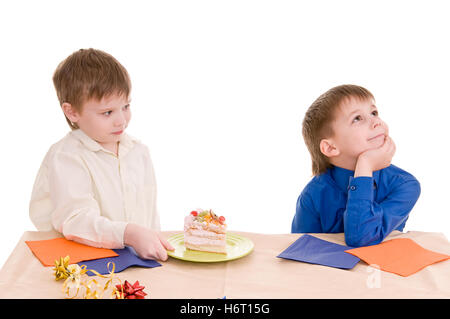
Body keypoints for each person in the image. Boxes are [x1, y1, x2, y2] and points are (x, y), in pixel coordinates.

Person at [29, 48, 174, 260]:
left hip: (135, 262)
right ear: (72, 112)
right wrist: (129, 233)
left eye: (125, 106)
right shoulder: (66, 156)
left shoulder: (138, 152)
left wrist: (152, 242)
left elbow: (149, 215)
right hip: (77, 265)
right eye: (107, 112)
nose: (121, 120)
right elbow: (76, 220)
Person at [292, 84, 421, 247]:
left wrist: (365, 167)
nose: (376, 122)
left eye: (374, 113)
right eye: (357, 118)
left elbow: (362, 238)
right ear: (331, 147)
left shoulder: (405, 185)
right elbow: (299, 248)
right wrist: (365, 168)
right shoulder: (313, 194)